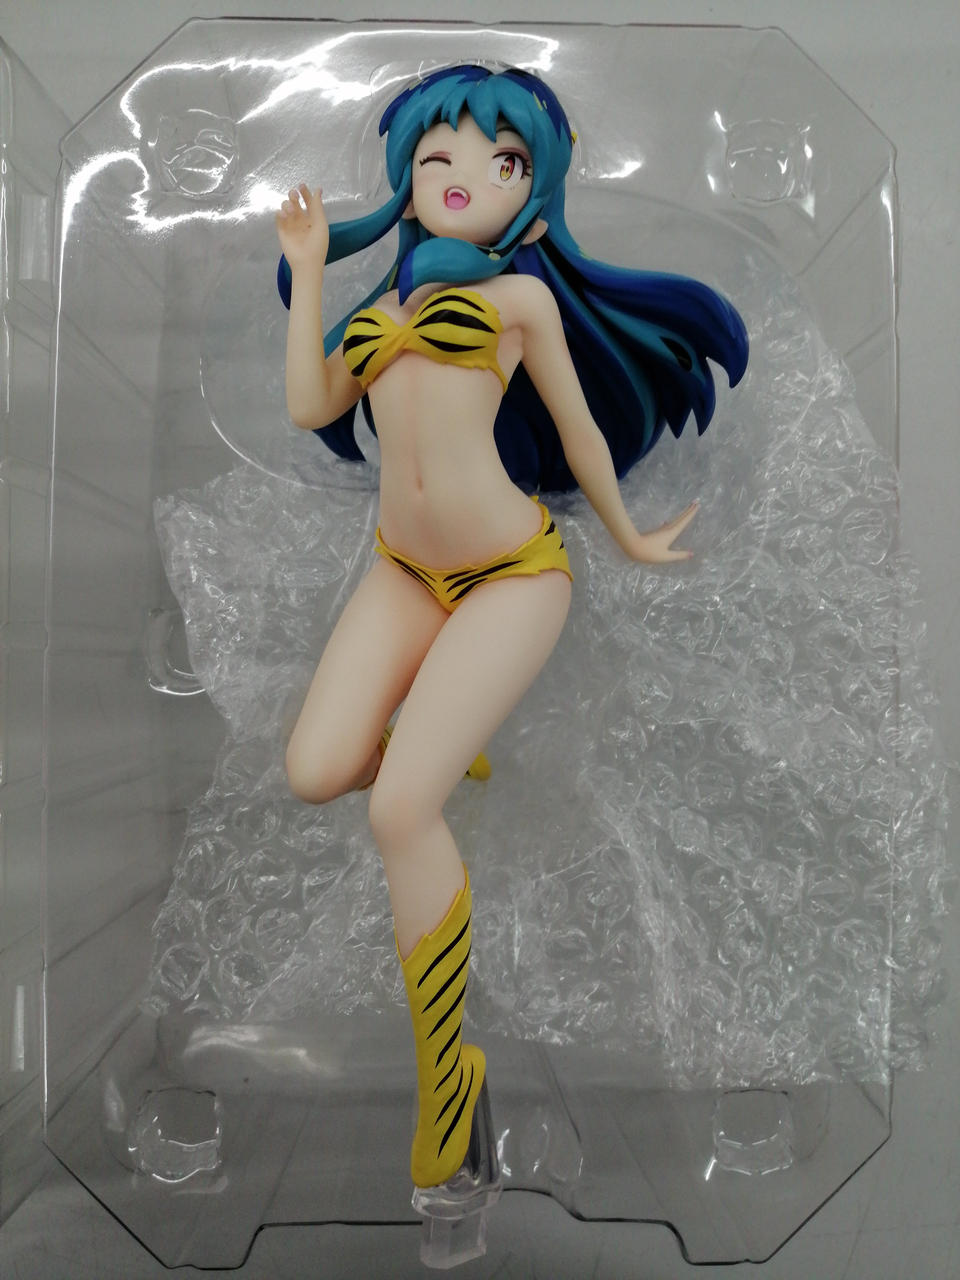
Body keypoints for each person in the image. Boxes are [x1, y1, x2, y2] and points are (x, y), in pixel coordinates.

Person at [275, 63, 747, 1192]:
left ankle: (447, 1076)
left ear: (533, 196)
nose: (463, 176)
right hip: (404, 574)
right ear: (404, 178)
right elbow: (308, 404)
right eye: (436, 156)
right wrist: (307, 268)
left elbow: (578, 432)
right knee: (315, 769)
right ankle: (443, 730)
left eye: (503, 160)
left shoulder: (518, 304)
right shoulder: (380, 314)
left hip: (512, 576)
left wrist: (627, 537)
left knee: (399, 809)